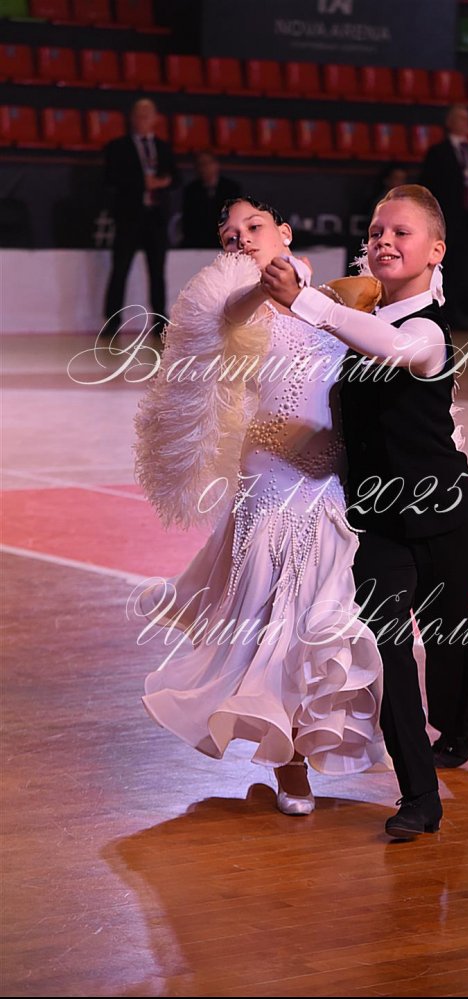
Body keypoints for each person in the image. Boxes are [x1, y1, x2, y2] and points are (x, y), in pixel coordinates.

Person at [132, 195, 392, 818]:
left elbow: (376, 334)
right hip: (270, 483)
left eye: (254, 227)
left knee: (323, 622)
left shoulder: (333, 299)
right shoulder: (236, 306)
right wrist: (266, 289)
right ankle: (289, 762)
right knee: (276, 622)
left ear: (285, 231)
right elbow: (229, 312)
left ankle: (334, 741)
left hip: (330, 485)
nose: (243, 239)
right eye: (230, 236)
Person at [263, 184, 468, 839]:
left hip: (448, 513)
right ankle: (419, 796)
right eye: (375, 232)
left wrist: (308, 302)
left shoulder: (426, 329)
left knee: (449, 644)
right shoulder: (356, 321)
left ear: (436, 250)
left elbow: (391, 347)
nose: (384, 241)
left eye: (401, 232)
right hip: (380, 526)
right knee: (386, 651)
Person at [103, 98, 179, 338]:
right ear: (132, 118)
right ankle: (112, 320)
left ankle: (159, 319)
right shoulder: (118, 147)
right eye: (139, 115)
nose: (143, 120)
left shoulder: (163, 147)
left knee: (157, 270)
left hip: (155, 216)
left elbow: (176, 178)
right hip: (129, 216)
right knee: (120, 268)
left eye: (148, 115)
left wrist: (161, 182)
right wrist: (141, 183)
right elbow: (111, 177)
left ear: (155, 119)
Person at [419, 104, 468, 330]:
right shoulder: (438, 152)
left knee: (459, 266)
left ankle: (455, 311)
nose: (466, 123)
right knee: (440, 266)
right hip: (444, 220)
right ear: (449, 122)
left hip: (465, 219)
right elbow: (429, 186)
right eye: (461, 118)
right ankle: (437, 313)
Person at [181, 149, 241, 248]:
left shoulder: (231, 188)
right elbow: (188, 221)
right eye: (200, 164)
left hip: (223, 239)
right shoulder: (191, 190)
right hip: (198, 240)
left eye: (207, 163)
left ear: (216, 165)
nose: (204, 168)